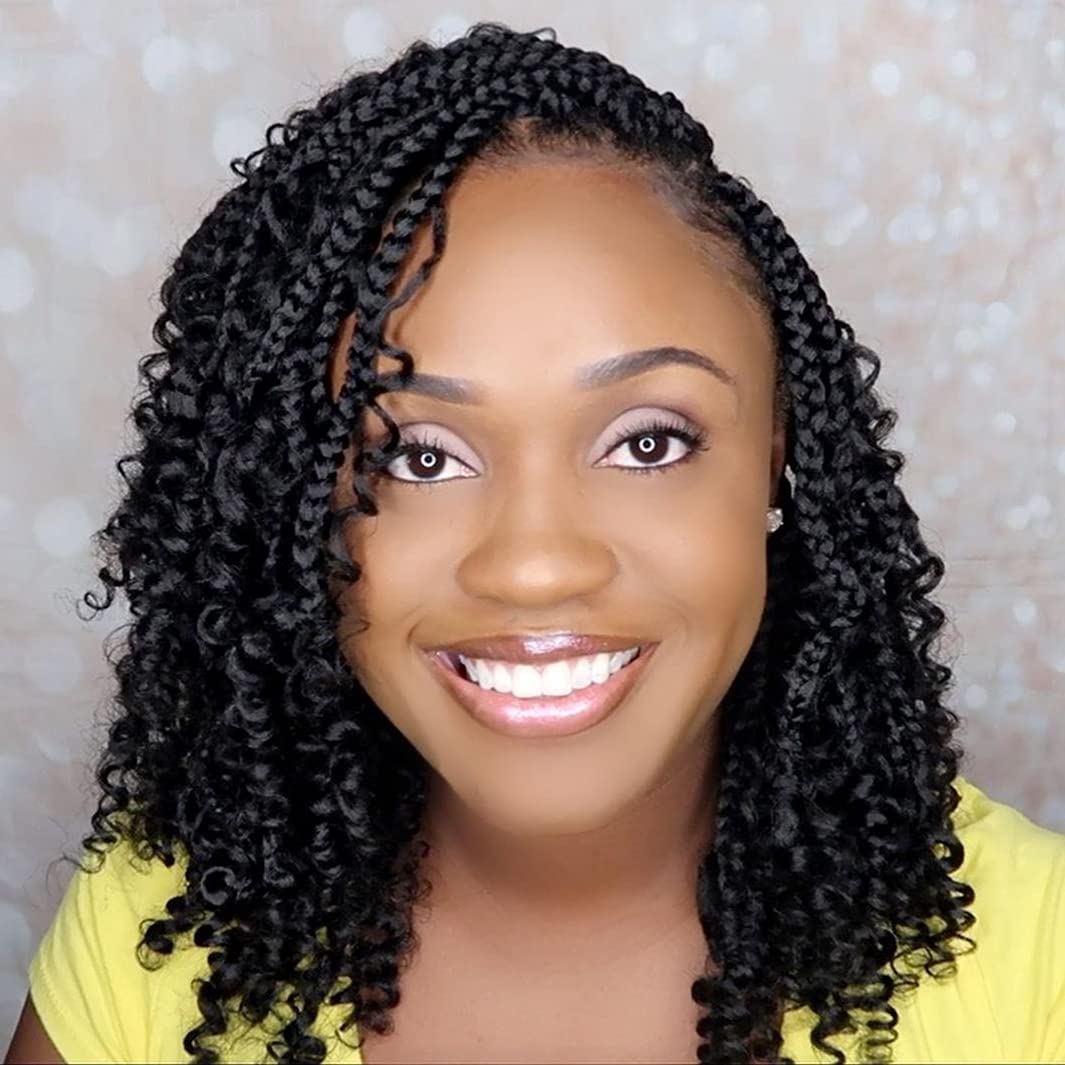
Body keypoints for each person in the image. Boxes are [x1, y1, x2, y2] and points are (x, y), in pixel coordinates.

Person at [5, 20, 1064, 1065]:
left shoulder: (1036, 963)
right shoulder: (162, 935)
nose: (535, 565)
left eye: (646, 442)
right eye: (419, 457)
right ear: (292, 505)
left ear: (780, 459)